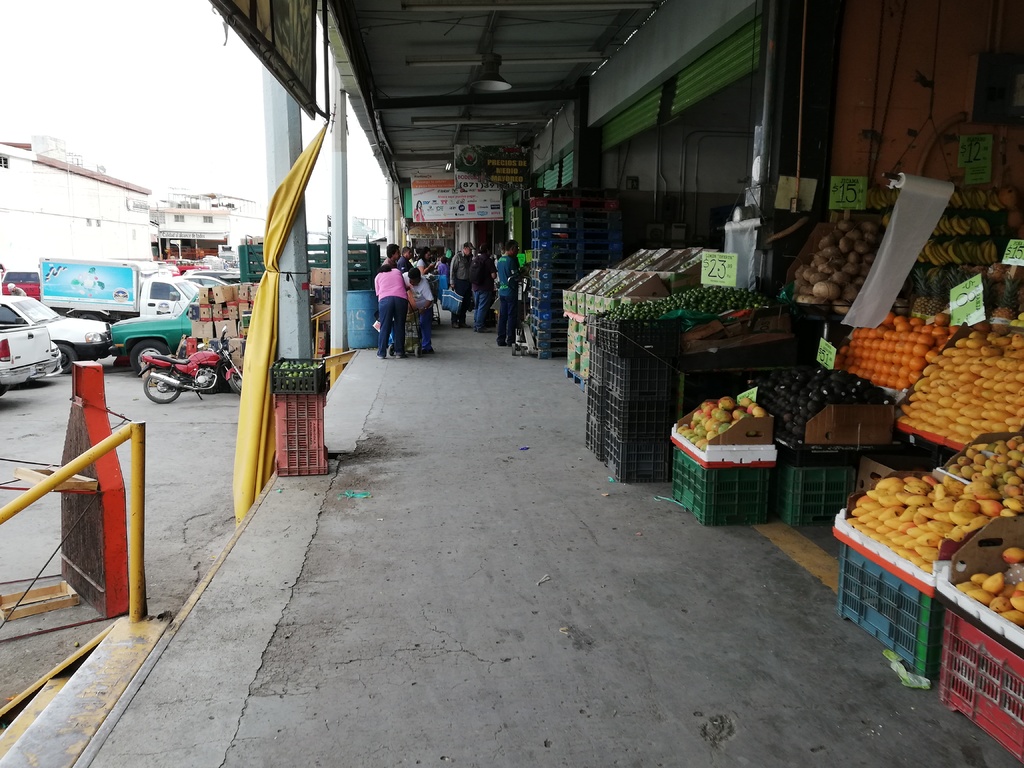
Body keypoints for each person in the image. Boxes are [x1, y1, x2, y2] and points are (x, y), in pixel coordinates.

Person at [374, 246, 409, 359]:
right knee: (400, 325)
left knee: (385, 326)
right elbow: (404, 286)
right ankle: (399, 352)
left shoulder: (378, 277)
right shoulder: (397, 272)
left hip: (385, 300)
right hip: (400, 299)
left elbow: (378, 293)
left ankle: (381, 353)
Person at [495, 240, 520, 347]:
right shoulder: (511, 261)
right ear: (512, 249)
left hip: (502, 291)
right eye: (517, 249)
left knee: (502, 316)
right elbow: (516, 276)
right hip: (511, 292)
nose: (517, 252)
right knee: (511, 316)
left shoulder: (500, 260)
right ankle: (510, 340)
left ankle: (501, 339)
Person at [406, 267, 435, 354]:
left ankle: (426, 346)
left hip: (425, 306)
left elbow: (430, 299)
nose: (411, 283)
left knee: (424, 324)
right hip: (412, 305)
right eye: (410, 280)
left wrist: (424, 308)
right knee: (410, 324)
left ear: (419, 279)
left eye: (413, 281)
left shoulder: (424, 284)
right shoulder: (404, 277)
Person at [470, 246, 496, 333]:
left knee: (477, 307)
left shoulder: (475, 259)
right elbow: (493, 276)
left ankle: (476, 325)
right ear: (487, 250)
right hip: (485, 287)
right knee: (482, 307)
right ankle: (480, 326)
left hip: (475, 287)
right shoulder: (489, 261)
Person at [449, 242, 474, 328]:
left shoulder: (470, 257)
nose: (471, 251)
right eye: (470, 249)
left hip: (468, 282)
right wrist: (452, 282)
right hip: (459, 282)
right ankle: (454, 321)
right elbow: (452, 270)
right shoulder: (458, 257)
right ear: (465, 248)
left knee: (466, 303)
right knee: (457, 303)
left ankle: (462, 321)